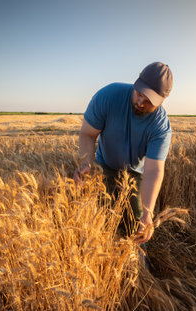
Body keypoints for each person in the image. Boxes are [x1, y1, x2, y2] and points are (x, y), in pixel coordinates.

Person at [74, 62, 173, 245]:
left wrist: (148, 214)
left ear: (162, 100)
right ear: (136, 83)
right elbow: (87, 134)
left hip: (136, 171)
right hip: (104, 164)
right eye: (139, 94)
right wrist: (85, 164)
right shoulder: (108, 96)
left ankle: (136, 261)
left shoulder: (161, 127)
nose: (140, 102)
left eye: (149, 100)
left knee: (137, 225)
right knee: (100, 216)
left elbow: (153, 171)